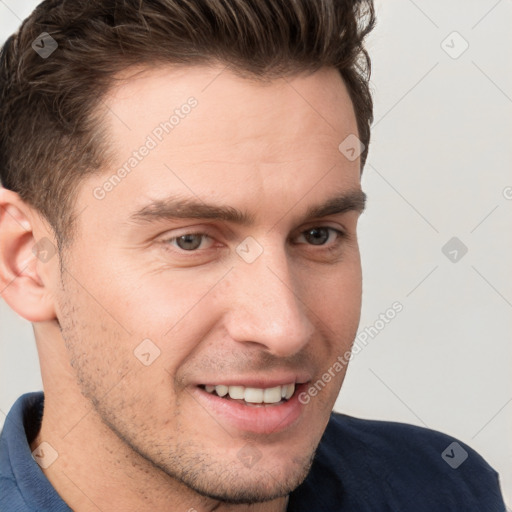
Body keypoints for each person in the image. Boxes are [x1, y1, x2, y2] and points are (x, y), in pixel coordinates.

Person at [0, 0, 506, 510]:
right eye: (190, 241)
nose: (283, 327)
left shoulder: (443, 489)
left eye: (318, 235)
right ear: (25, 260)